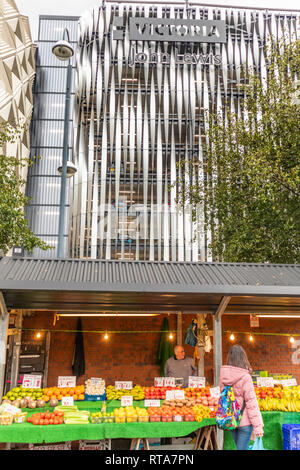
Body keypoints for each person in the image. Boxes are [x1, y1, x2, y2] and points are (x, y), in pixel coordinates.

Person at [219, 344, 264, 450]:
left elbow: (222, 397)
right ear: (243, 358)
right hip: (244, 422)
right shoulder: (246, 377)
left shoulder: (223, 376)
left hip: (230, 420)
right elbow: (251, 403)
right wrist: (258, 427)